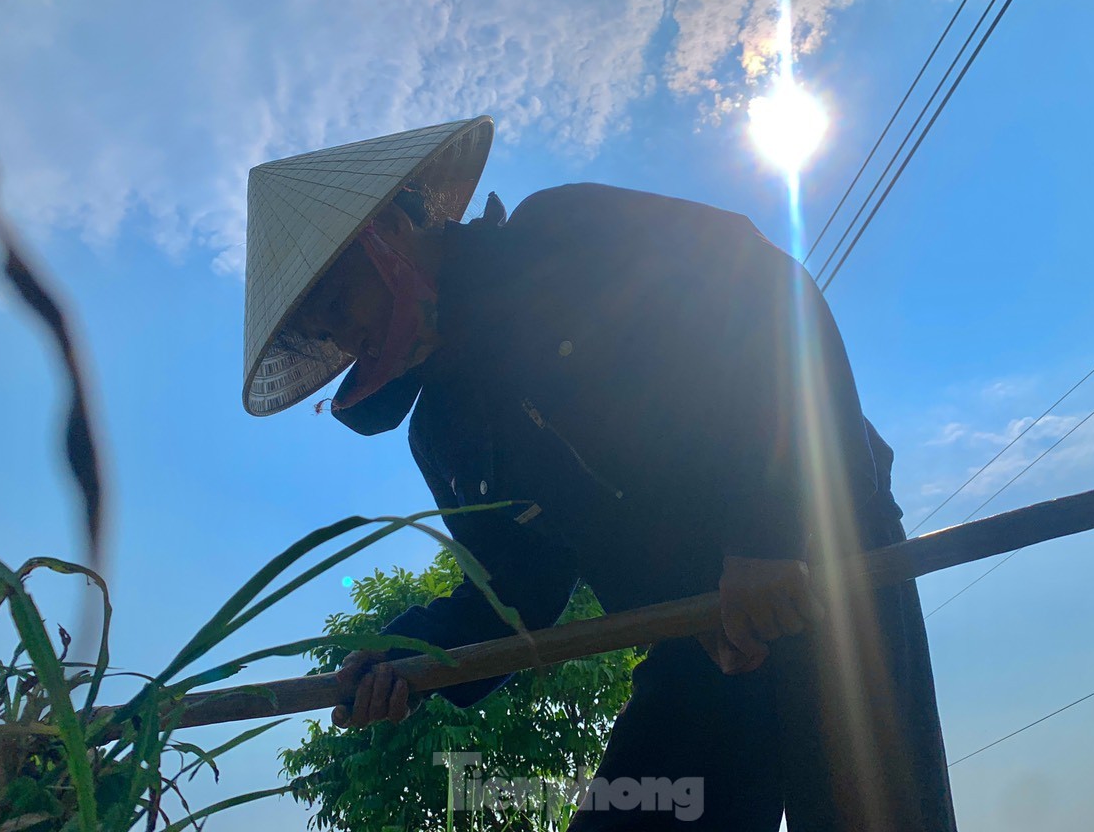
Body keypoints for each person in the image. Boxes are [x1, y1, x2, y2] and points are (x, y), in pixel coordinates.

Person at [242, 116, 958, 830]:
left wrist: (767, 532)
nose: (341, 340)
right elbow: (516, 591)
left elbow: (769, 297)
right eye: (321, 334)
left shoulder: (562, 234)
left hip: (821, 561)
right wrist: (412, 660)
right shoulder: (444, 432)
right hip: (696, 637)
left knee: (871, 811)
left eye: (337, 306)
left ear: (386, 235)